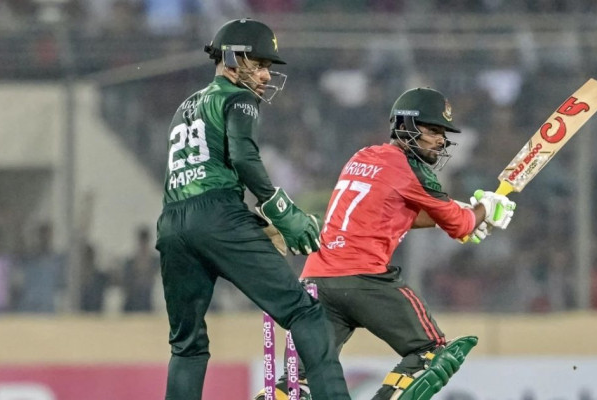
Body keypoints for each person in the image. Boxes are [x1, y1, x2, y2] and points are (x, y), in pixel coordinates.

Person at [257, 88, 516, 400]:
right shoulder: (413, 170)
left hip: (316, 281)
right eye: (433, 130)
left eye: (443, 133)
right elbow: (461, 226)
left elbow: (396, 211)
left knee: (300, 380)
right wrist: (486, 209)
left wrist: (461, 214)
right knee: (431, 352)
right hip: (364, 279)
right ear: (405, 126)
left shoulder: (362, 156)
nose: (440, 140)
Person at [155, 18, 351, 400]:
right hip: (218, 216)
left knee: (186, 345)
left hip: (172, 224)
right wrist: (279, 210)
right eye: (259, 64)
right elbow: (243, 158)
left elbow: (198, 173)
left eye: (267, 67)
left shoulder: (185, 106)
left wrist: (251, 221)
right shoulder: (238, 97)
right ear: (231, 58)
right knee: (306, 312)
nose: (265, 75)